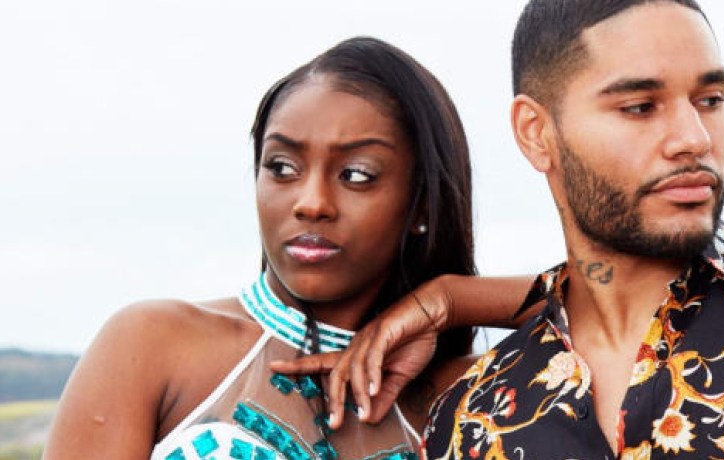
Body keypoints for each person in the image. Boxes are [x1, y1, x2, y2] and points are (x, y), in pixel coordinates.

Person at [275, 1, 724, 458]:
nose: (693, 138)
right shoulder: (472, 414)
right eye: (640, 107)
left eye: (711, 98)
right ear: (536, 133)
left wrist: (452, 297)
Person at [45, 36, 497, 460]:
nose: (311, 203)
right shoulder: (154, 343)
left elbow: (548, 312)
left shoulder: (461, 402)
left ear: (422, 204)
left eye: (356, 175)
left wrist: (448, 300)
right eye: (282, 167)